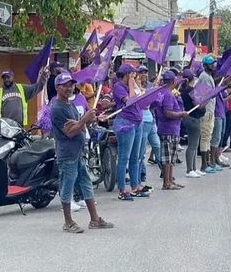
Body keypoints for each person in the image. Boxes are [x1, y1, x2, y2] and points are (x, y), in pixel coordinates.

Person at [50, 72, 114, 233]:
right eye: (65, 85)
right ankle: (68, 221)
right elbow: (70, 132)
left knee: (85, 183)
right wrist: (83, 120)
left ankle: (95, 219)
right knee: (67, 186)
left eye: (71, 85)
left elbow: (77, 125)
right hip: (67, 153)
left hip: (78, 152)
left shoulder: (69, 104)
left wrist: (89, 119)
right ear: (57, 87)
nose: (69, 88)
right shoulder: (57, 108)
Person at [112, 64, 145, 201]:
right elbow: (130, 101)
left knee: (135, 157)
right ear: (126, 74)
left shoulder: (134, 85)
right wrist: (131, 85)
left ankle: (135, 186)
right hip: (125, 123)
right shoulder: (118, 87)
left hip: (137, 122)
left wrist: (136, 85)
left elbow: (141, 99)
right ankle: (122, 189)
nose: (134, 76)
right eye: (132, 74)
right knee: (124, 157)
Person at [156, 71, 189, 190]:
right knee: (168, 157)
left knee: (171, 157)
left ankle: (170, 180)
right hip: (168, 129)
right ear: (173, 81)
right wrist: (181, 113)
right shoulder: (168, 95)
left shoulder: (163, 92)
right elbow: (167, 113)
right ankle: (167, 182)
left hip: (171, 128)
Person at [180, 69, 206, 178]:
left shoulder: (182, 89)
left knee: (194, 145)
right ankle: (190, 169)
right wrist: (207, 98)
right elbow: (199, 105)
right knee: (193, 145)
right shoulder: (191, 90)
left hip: (188, 118)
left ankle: (194, 168)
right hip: (193, 118)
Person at [136, 65, 159, 188]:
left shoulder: (151, 86)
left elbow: (154, 102)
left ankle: (165, 173)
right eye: (141, 72)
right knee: (141, 151)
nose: (143, 74)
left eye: (145, 72)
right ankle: (140, 174)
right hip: (141, 121)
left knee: (157, 146)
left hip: (151, 119)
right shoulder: (135, 86)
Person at [197, 55, 217, 174]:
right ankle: (204, 164)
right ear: (204, 66)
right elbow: (204, 94)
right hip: (206, 110)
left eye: (213, 63)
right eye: (210, 64)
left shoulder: (209, 76)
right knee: (205, 137)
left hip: (210, 109)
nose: (213, 65)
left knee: (208, 137)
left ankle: (208, 162)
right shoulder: (204, 77)